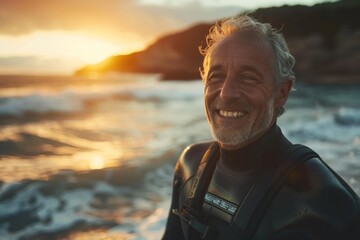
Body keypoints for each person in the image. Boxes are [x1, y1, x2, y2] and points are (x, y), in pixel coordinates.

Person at [162, 14, 360, 240]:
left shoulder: (324, 200)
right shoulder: (190, 165)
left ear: (281, 93)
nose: (227, 93)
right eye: (216, 77)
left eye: (248, 77)